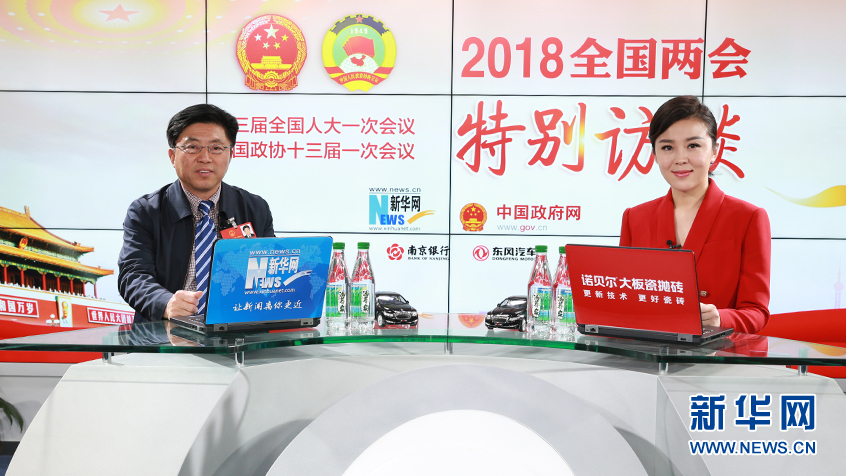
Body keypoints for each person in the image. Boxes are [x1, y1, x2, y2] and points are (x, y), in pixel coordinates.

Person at [619, 96, 771, 334]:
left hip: (716, 353)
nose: (680, 159)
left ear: (714, 151)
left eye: (693, 146)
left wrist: (720, 318)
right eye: (667, 147)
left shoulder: (748, 217)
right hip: (648, 352)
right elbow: (624, 299)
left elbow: (757, 312)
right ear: (655, 155)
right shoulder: (634, 218)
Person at [118, 104, 275, 322]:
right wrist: (166, 303)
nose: (205, 157)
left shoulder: (254, 208)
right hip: (167, 332)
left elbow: (269, 273)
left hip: (237, 330)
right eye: (192, 147)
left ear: (231, 154)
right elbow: (133, 276)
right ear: (172, 156)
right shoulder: (145, 211)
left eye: (216, 148)